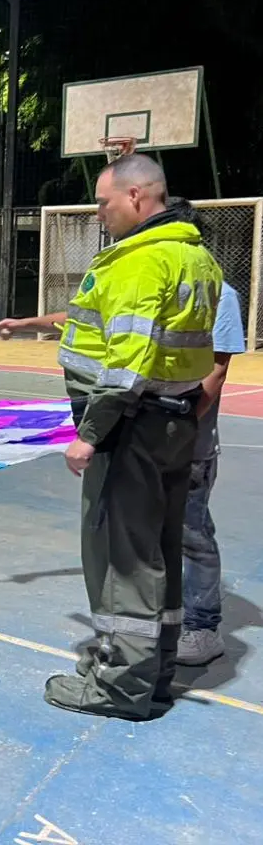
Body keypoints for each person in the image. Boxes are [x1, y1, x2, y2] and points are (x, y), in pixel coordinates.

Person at [0, 154, 222, 720]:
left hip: (130, 429)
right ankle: (153, 668)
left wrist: (91, 433)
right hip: (175, 423)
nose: (99, 213)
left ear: (138, 197)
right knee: (159, 552)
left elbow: (129, 361)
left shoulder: (140, 264)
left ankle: (121, 686)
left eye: (104, 201)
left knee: (122, 561)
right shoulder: (196, 259)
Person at [167, 201, 246, 666]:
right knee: (156, 533)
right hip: (151, 439)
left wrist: (181, 427)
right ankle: (168, 615)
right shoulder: (160, 289)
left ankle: (203, 626)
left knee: (192, 532)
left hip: (188, 441)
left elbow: (215, 374)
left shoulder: (221, 294)